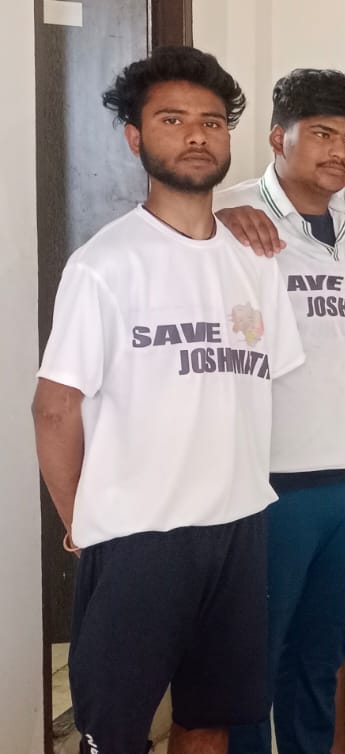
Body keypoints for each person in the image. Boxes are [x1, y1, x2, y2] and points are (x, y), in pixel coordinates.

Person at [34, 46, 305, 754]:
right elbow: (53, 408)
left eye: (211, 123)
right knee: (113, 733)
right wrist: (82, 522)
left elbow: (258, 382)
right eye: (172, 120)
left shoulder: (256, 261)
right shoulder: (104, 264)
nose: (196, 136)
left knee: (210, 721)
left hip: (238, 526)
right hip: (139, 540)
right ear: (135, 137)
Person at [212, 67, 345, 754]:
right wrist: (214, 220)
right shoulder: (227, 215)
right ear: (278, 136)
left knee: (322, 654)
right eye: (322, 134)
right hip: (271, 480)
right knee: (253, 657)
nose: (339, 151)